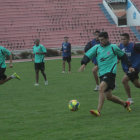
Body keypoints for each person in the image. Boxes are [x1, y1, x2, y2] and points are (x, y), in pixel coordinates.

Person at [79, 32, 133, 117]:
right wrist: (83, 64)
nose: (101, 41)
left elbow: (123, 56)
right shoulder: (97, 48)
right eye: (99, 40)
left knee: (101, 88)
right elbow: (88, 55)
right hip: (102, 73)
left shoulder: (113, 47)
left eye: (102, 40)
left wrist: (129, 66)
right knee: (109, 96)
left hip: (110, 73)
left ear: (107, 39)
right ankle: (125, 104)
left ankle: (98, 111)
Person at [119, 33, 140, 104]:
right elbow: (120, 55)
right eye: (121, 39)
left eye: (124, 39)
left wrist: (135, 66)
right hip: (126, 69)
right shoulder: (120, 46)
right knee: (137, 85)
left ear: (128, 39)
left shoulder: (134, 46)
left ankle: (130, 99)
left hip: (134, 68)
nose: (122, 41)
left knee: (124, 81)